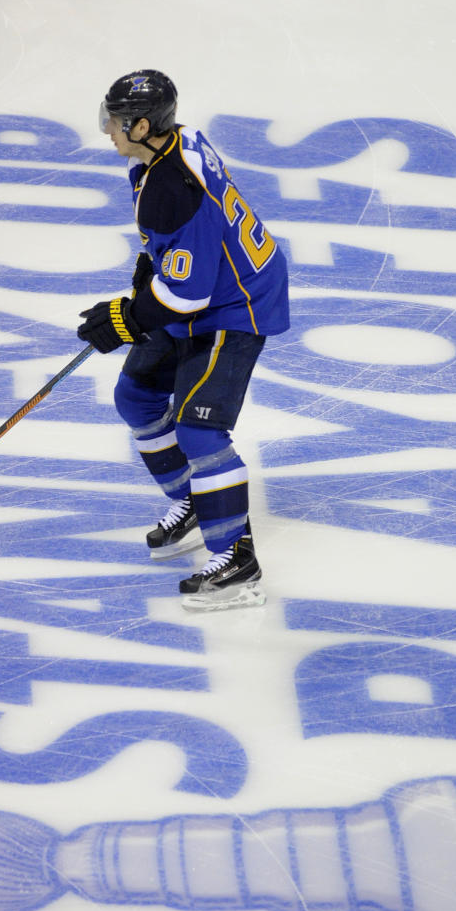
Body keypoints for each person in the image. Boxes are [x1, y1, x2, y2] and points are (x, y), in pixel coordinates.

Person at [77, 69, 290, 612]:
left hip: (235, 305)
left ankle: (236, 559)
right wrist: (147, 271)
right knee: (137, 396)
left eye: (115, 120)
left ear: (142, 125)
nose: (107, 129)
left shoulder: (171, 190)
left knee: (200, 429)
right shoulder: (172, 143)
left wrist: (127, 318)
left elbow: (188, 296)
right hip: (204, 287)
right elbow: (179, 249)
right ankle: (197, 502)